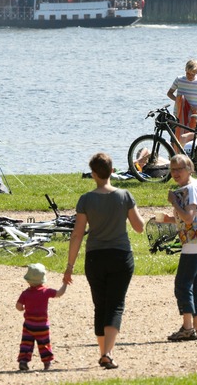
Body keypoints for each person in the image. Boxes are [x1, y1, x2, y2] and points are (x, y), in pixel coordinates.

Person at [63, 152, 145, 370]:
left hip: (95, 258)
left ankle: (104, 353)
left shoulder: (86, 199)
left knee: (100, 305)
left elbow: (77, 235)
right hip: (120, 256)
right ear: (112, 171)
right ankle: (107, 353)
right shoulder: (125, 195)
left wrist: (69, 267)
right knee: (116, 304)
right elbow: (139, 227)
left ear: (93, 175)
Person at [155, 154, 197, 341]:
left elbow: (188, 218)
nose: (176, 173)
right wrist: (168, 219)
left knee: (182, 285)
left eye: (180, 169)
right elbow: (188, 217)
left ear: (190, 169)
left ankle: (187, 328)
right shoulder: (189, 187)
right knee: (195, 286)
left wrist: (173, 202)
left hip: (196, 242)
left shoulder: (191, 188)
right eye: (172, 170)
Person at [16, 263, 68, 371]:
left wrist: (22, 309)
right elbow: (59, 293)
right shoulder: (46, 291)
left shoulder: (25, 293)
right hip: (42, 325)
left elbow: (18, 306)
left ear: (28, 281)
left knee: (26, 343)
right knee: (44, 344)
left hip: (29, 325)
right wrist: (65, 284)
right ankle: (47, 362)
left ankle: (23, 361)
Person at [166, 59, 197, 145]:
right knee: (174, 142)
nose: (190, 76)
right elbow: (169, 93)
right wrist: (178, 100)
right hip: (178, 115)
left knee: (189, 142)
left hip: (192, 116)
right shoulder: (179, 79)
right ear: (185, 70)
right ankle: (173, 158)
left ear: (196, 73)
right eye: (188, 73)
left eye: (193, 74)